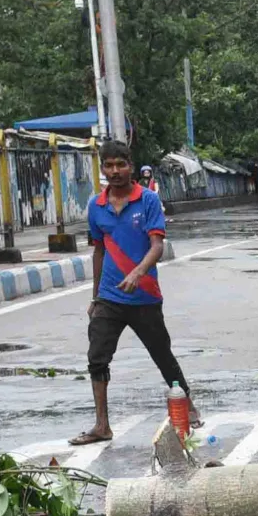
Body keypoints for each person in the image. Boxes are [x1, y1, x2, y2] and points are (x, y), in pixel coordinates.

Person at [78, 141, 192, 446]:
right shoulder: (95, 206)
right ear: (102, 168)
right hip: (109, 298)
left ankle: (188, 407)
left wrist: (138, 272)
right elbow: (99, 251)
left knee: (162, 355)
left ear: (131, 165)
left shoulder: (149, 200)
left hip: (144, 296)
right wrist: (94, 298)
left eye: (121, 165)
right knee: (97, 359)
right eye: (109, 165)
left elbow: (157, 245)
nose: (115, 171)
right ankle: (102, 425)